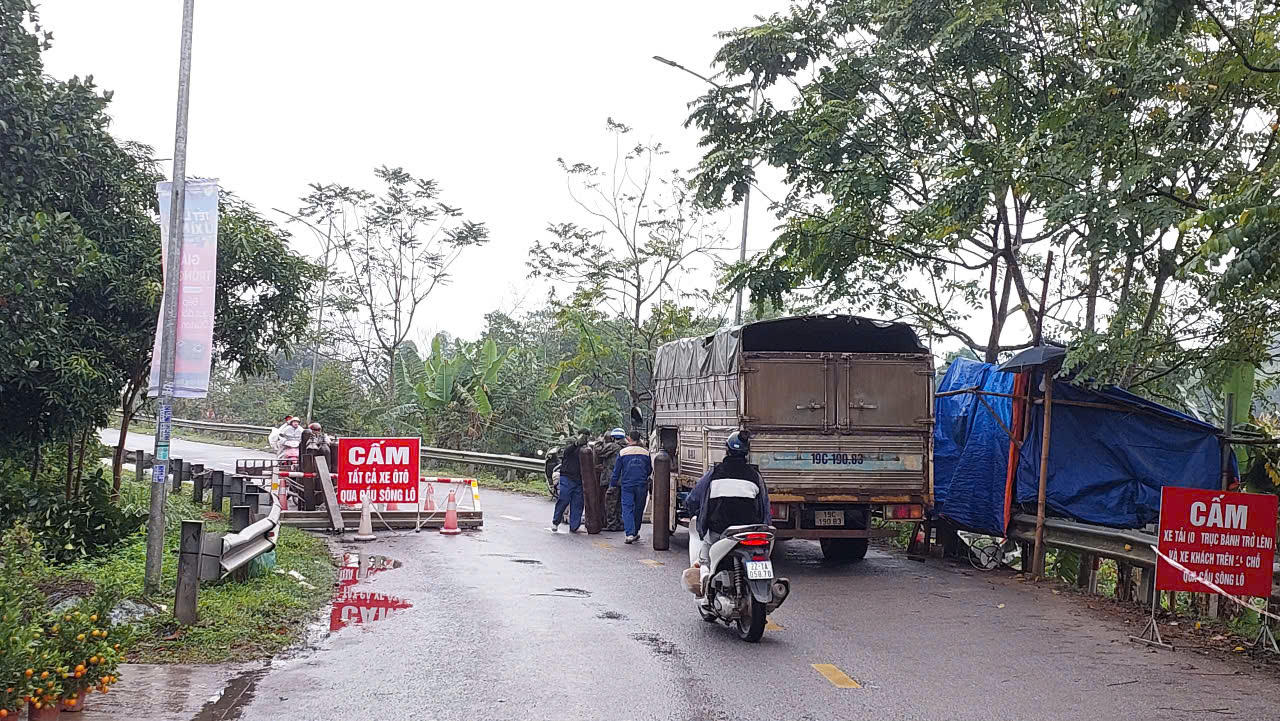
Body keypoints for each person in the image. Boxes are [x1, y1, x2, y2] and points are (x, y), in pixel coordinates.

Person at [682, 430, 771, 582]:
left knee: (704, 559)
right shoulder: (755, 476)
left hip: (719, 530)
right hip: (750, 531)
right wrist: (766, 527)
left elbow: (694, 498)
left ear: (727, 450)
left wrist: (691, 509)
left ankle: (705, 587)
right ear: (746, 452)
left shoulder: (715, 473)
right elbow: (765, 506)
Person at [611, 430, 653, 544]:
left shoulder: (623, 452)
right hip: (641, 485)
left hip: (627, 485)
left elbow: (617, 470)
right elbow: (649, 469)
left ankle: (629, 533)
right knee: (639, 508)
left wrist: (613, 484)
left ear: (629, 438)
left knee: (627, 508)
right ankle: (635, 531)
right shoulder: (646, 452)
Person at [551, 429, 591, 534]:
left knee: (578, 503)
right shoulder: (571, 442)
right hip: (567, 476)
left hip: (579, 479)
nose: (585, 438)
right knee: (564, 499)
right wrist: (576, 444)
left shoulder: (587, 448)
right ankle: (556, 521)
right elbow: (566, 452)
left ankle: (574, 526)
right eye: (584, 436)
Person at [599, 428, 626, 532]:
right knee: (619, 503)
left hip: (612, 479)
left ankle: (612, 524)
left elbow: (599, 452)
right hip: (623, 479)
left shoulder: (613, 446)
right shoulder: (626, 446)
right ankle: (619, 523)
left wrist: (600, 440)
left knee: (611, 503)